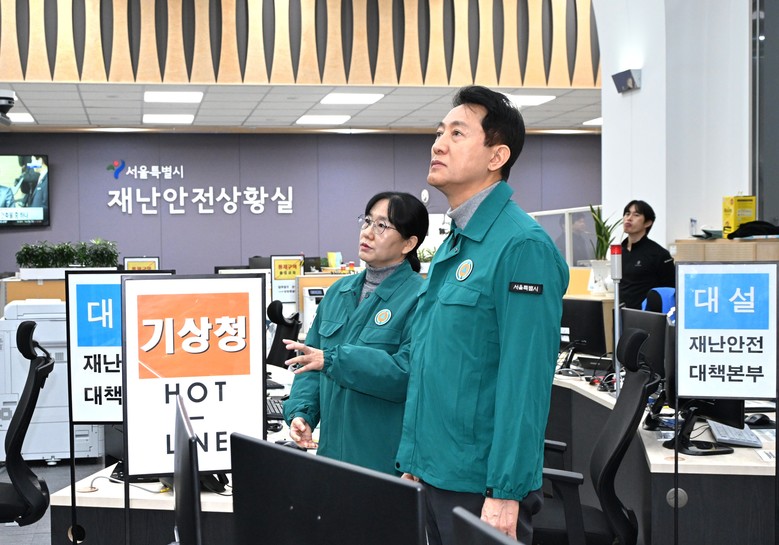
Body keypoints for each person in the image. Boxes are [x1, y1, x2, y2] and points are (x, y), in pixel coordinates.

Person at [395, 86, 569, 545]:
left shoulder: (521, 246)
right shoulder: (457, 242)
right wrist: (414, 459)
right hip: (436, 472)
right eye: (439, 132)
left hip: (482, 486)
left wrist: (506, 491)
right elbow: (435, 362)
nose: (438, 144)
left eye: (457, 133)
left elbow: (525, 380)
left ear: (497, 156)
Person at [282, 191, 429, 475]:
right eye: (367, 221)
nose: (368, 232)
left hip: (383, 462)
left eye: (382, 226)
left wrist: (334, 360)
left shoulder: (421, 297)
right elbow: (310, 365)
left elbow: (407, 373)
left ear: (409, 244)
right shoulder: (339, 292)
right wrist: (302, 413)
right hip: (332, 458)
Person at [620, 199, 675, 309]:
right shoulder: (619, 251)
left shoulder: (659, 254)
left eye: (636, 215)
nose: (629, 218)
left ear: (647, 223)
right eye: (627, 214)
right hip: (620, 313)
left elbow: (670, 290)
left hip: (646, 315)